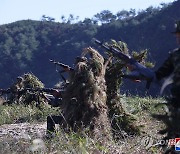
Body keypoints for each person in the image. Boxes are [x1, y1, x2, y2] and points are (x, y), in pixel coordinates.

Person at [155, 20, 180, 153]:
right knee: (176, 133)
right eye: (177, 35)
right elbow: (158, 74)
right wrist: (136, 69)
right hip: (177, 101)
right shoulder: (175, 55)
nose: (178, 38)